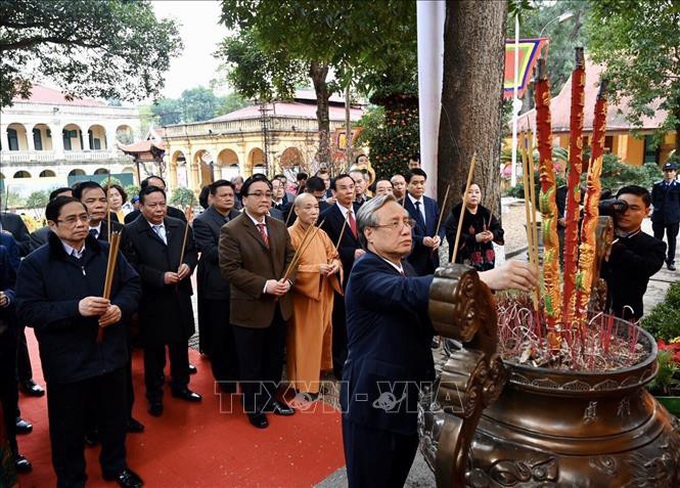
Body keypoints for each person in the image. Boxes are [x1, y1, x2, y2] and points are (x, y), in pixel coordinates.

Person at [341, 194, 539, 487]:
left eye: (407, 222)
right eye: (394, 223)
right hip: (374, 399)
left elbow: (429, 312)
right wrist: (482, 278)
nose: (406, 229)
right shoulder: (365, 270)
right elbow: (408, 292)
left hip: (408, 394)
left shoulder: (403, 267)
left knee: (394, 476)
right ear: (368, 233)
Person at [16, 196, 143, 488]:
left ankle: (116, 466)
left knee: (114, 418)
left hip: (110, 353)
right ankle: (72, 479)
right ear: (51, 225)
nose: (80, 225)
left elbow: (132, 285)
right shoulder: (36, 263)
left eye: (83, 218)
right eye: (71, 219)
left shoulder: (107, 252)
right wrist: (76, 308)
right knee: (67, 428)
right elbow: (26, 309)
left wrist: (120, 309)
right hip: (67, 360)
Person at [219, 174, 296, 429]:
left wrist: (287, 280)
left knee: (274, 359)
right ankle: (253, 407)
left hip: (279, 306)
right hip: (250, 308)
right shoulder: (231, 230)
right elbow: (230, 270)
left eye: (268, 194)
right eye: (258, 194)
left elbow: (290, 258)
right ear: (244, 199)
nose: (265, 199)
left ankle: (270, 398)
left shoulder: (278, 225)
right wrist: (265, 285)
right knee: (251, 363)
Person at [121, 185, 201, 417]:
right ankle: (154, 395)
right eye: (152, 205)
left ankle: (181, 385)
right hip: (152, 299)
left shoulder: (179, 225)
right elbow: (131, 266)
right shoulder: (131, 231)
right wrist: (159, 277)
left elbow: (191, 251)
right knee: (154, 351)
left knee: (180, 345)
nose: (158, 209)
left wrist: (188, 264)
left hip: (179, 295)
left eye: (162, 204)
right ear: (141, 206)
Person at [287, 194, 342, 399]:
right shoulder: (289, 235)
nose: (313, 212)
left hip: (324, 292)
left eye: (316, 208)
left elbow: (334, 255)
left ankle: (315, 378)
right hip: (304, 296)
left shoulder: (320, 234)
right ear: (296, 210)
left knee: (321, 336)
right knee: (304, 340)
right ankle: (303, 385)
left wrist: (335, 266)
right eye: (308, 208)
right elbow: (288, 270)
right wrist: (314, 270)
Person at [193, 180, 240, 392]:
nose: (229, 199)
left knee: (238, 332)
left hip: (241, 285)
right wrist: (243, 253)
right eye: (224, 196)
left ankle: (239, 370)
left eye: (231, 195)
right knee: (220, 333)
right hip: (218, 284)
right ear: (212, 197)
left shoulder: (240, 216)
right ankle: (224, 378)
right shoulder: (202, 221)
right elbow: (211, 253)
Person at [320, 174, 364, 379]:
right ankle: (341, 366)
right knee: (341, 321)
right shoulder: (327, 216)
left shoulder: (363, 212)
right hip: (340, 277)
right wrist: (349, 253)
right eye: (344, 188)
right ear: (334, 192)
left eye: (352, 187)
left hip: (363, 275)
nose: (349, 191)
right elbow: (325, 248)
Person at [602, 185, 666, 321]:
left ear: (647, 211)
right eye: (621, 206)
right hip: (590, 311)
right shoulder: (595, 235)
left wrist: (613, 245)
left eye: (634, 208)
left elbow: (644, 268)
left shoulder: (654, 246)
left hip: (626, 316)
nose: (625, 212)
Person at [0, 244, 32, 475]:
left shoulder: (1, 250)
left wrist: (7, 297)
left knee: (6, 394)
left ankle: (11, 453)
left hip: (2, 337)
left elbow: (17, 286)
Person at [445, 182, 505, 271]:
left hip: (486, 261)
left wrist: (492, 235)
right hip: (463, 262)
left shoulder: (485, 213)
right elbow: (452, 237)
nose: (474, 195)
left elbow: (498, 229)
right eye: (470, 192)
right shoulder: (456, 214)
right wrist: (474, 238)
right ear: (462, 196)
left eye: (477, 192)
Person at [402, 169, 444, 276]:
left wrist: (439, 237)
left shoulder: (431, 203)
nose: (419, 186)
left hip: (432, 259)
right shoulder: (401, 206)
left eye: (422, 182)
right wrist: (421, 240)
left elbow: (441, 225)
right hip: (412, 260)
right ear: (407, 185)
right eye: (415, 183)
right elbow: (400, 232)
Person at [651, 160, 679, 271]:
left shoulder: (678, 186)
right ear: (663, 172)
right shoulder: (657, 186)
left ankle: (670, 261)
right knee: (657, 239)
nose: (668, 173)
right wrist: (658, 209)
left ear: (675, 172)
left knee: (672, 240)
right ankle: (655, 259)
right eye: (666, 171)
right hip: (659, 217)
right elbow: (653, 199)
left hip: (673, 218)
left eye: (671, 171)